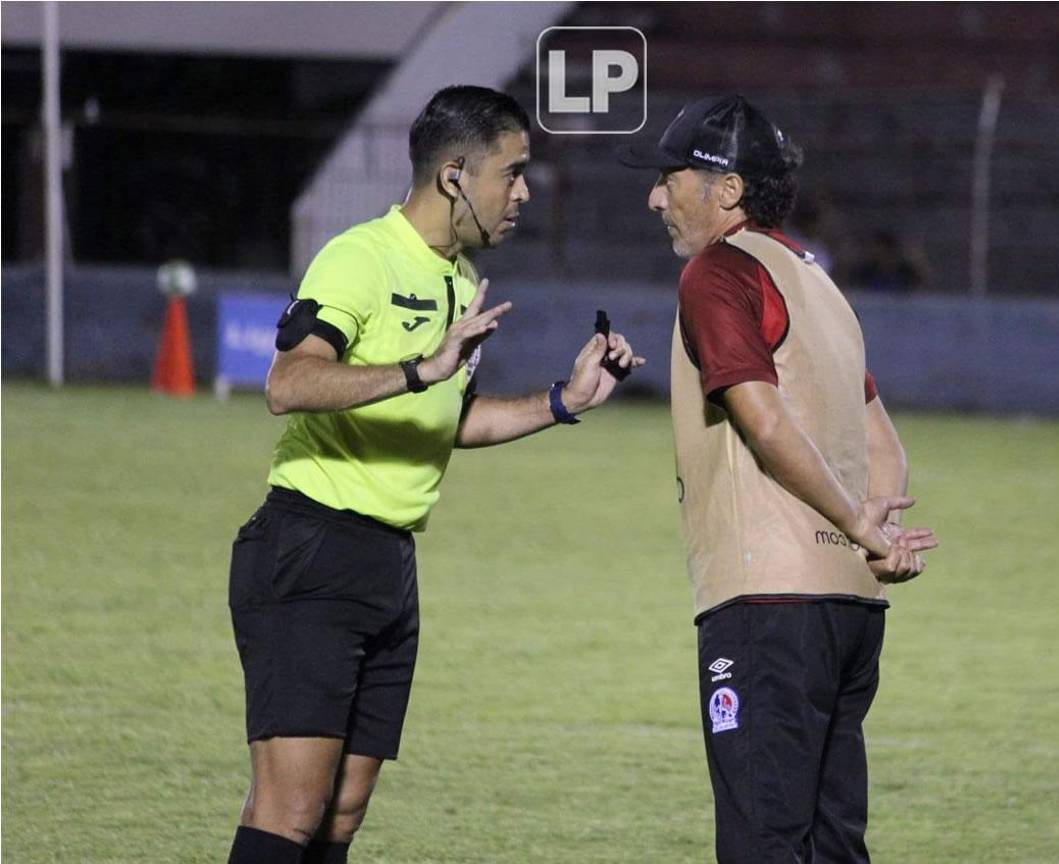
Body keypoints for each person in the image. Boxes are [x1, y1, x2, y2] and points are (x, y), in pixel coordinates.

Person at [226, 85, 644, 864]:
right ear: (455, 174)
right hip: (309, 547)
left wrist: (564, 400)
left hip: (389, 563)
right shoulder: (361, 255)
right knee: (290, 810)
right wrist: (421, 368)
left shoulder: (458, 280)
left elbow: (451, 420)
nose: (523, 193)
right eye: (511, 173)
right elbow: (288, 383)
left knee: (341, 814)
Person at [617, 95, 937, 863]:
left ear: (725, 191)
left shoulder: (717, 272)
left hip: (767, 604)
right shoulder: (818, 282)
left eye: (672, 178)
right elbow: (882, 441)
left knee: (763, 840)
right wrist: (872, 531)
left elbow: (760, 420)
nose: (656, 196)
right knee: (833, 845)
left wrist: (864, 524)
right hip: (851, 607)